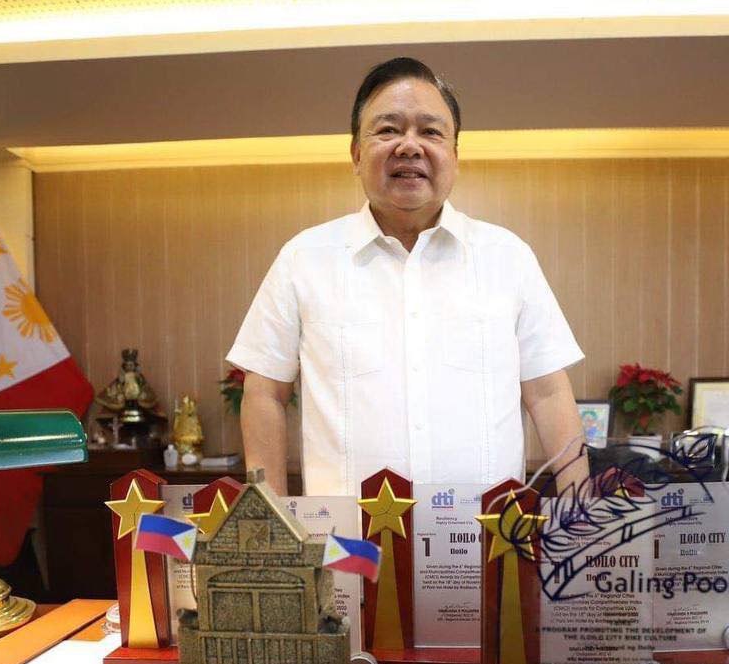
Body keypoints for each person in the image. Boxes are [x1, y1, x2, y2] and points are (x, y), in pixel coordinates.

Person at [227, 57, 586, 497]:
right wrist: (271, 516)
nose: (409, 147)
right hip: (347, 549)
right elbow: (264, 393)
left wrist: (581, 516)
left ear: (455, 155)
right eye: (388, 129)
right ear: (357, 154)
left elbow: (548, 395)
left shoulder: (507, 257)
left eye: (431, 131)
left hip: (487, 549)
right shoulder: (304, 258)